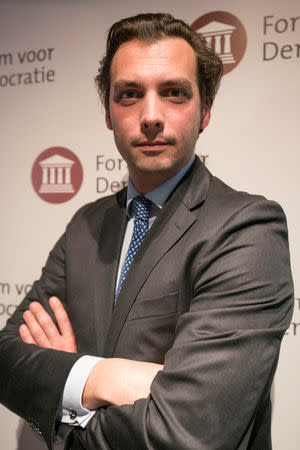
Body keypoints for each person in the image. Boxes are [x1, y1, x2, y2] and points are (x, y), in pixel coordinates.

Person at [0, 12, 294, 450]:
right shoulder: (86, 225)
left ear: (205, 111)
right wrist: (104, 375)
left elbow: (187, 433)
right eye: (130, 94)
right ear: (108, 113)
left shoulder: (247, 229)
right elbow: (7, 358)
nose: (151, 115)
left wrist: (65, 387)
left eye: (174, 93)